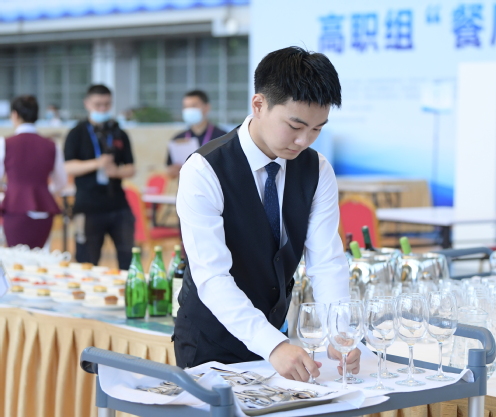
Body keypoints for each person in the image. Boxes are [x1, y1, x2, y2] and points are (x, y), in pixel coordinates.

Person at [174, 47, 360, 382]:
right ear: (259, 105)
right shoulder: (204, 169)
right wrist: (272, 345)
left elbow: (326, 260)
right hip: (211, 341)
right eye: (295, 125)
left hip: (277, 334)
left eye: (317, 129)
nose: (303, 141)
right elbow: (212, 276)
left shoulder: (317, 169)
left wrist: (338, 331)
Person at [64, 84, 136, 270]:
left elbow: (131, 168)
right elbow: (68, 166)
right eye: (98, 105)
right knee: (87, 262)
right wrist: (97, 163)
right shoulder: (77, 133)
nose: (103, 109)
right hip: (88, 206)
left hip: (118, 205)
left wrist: (117, 172)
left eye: (107, 104)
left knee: (128, 260)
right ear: (87, 104)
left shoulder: (119, 133)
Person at [0, 95, 67, 248]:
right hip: (44, 207)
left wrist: (9, 189)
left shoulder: (5, 143)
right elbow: (61, 181)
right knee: (40, 256)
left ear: (15, 115)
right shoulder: (51, 145)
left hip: (15, 206)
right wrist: (43, 190)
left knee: (16, 257)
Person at [166, 90, 226, 179]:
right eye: (186, 107)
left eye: (193, 106)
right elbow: (170, 172)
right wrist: (173, 171)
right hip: (187, 185)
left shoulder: (222, 137)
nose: (189, 110)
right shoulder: (178, 139)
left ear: (207, 107)